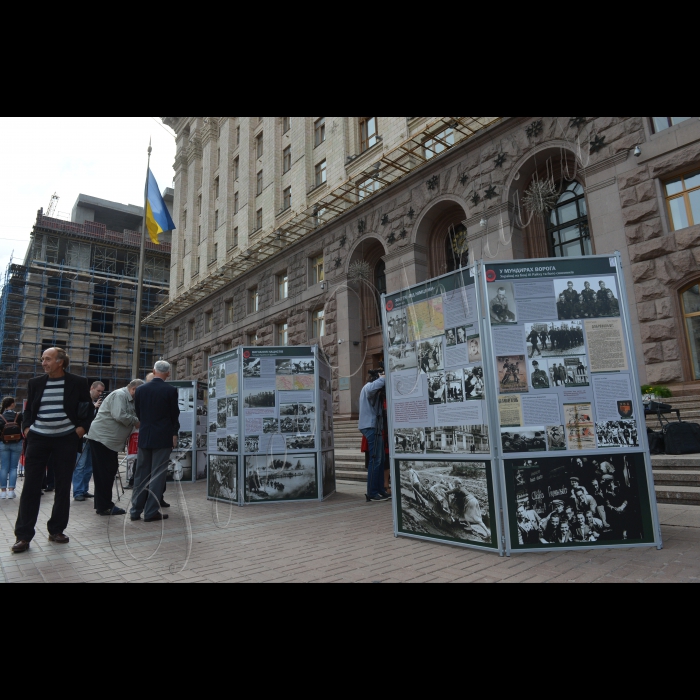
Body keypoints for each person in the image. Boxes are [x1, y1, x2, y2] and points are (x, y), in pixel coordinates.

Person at [12, 348, 94, 554]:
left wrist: (81, 429)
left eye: (47, 359)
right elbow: (29, 410)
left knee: (63, 485)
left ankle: (56, 529)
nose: (43, 363)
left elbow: (87, 409)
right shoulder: (35, 383)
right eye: (42, 359)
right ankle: (23, 536)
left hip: (65, 439)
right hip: (38, 439)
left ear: (60, 362)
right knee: (31, 487)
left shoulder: (78, 382)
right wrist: (27, 429)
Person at [85, 380, 143, 517]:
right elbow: (120, 415)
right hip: (102, 439)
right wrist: (137, 421)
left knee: (107, 472)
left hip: (108, 441)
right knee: (105, 473)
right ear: (134, 389)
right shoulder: (120, 395)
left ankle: (102, 505)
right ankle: (104, 506)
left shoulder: (128, 398)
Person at [130, 362, 180, 523]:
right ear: (168, 373)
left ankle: (135, 510)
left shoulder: (141, 389)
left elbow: (138, 412)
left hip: (145, 435)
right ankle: (151, 511)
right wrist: (174, 433)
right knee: (157, 475)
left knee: (141, 474)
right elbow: (174, 415)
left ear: (153, 371)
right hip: (162, 436)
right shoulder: (171, 390)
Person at [359, 368, 390, 503]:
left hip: (375, 427)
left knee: (380, 460)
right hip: (370, 426)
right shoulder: (368, 387)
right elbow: (375, 386)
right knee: (375, 460)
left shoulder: (374, 390)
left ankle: (380, 490)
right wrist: (383, 377)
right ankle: (372, 492)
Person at [73, 381, 106, 503]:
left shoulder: (100, 403)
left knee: (89, 466)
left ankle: (84, 489)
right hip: (83, 438)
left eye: (102, 392)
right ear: (91, 388)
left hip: (94, 437)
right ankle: (77, 492)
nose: (100, 394)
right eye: (98, 391)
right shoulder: (83, 400)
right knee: (80, 466)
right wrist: (93, 407)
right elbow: (80, 416)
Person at [0, 397, 24, 500]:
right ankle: (11, 491)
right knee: (13, 467)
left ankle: (3, 492)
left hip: (4, 443)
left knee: (4, 467)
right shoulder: (18, 416)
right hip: (17, 443)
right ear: (12, 404)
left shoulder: (1, 416)